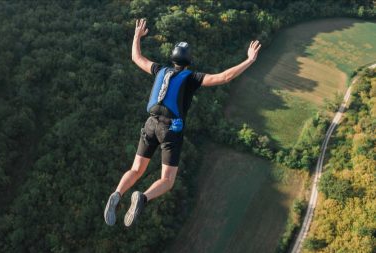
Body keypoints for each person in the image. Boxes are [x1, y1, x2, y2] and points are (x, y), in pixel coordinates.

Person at [104, 18, 261, 227]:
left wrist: (137, 35)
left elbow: (136, 57)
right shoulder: (191, 78)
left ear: (173, 58)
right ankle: (142, 197)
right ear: (188, 61)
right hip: (170, 131)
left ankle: (117, 193)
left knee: (136, 169)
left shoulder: (160, 70)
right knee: (167, 180)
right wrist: (249, 60)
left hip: (150, 124)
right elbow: (224, 77)